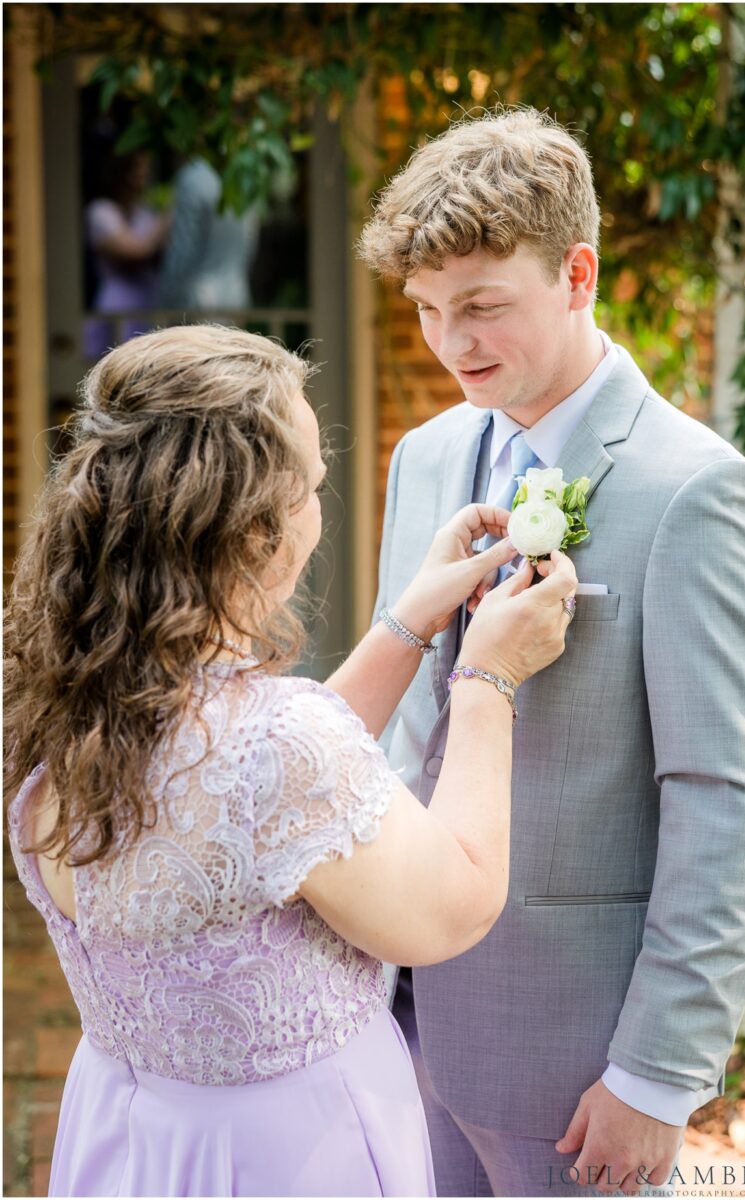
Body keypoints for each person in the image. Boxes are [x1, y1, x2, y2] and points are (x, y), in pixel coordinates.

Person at [4, 324, 578, 1198]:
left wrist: (408, 623)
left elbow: (246, 801)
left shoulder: (69, 697)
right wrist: (487, 676)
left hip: (129, 1139)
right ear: (253, 532)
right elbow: (453, 906)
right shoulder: (272, 747)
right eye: (310, 486)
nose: (321, 501)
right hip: (285, 1154)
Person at [358, 107, 745, 1198]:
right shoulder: (426, 453)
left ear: (578, 272)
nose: (451, 343)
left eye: (484, 306)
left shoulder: (696, 490)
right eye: (427, 310)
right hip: (400, 1027)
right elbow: (412, 734)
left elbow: (728, 802)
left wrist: (657, 1074)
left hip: (576, 1063)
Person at [84, 150, 170, 358]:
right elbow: (137, 251)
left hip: (148, 300)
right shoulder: (100, 212)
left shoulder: (144, 211)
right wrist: (171, 213)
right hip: (118, 304)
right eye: (138, 169)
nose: (143, 176)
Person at [157, 158, 260, 311]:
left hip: (197, 301)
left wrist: (166, 303)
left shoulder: (193, 178)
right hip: (236, 297)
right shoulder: (244, 175)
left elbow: (182, 252)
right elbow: (249, 243)